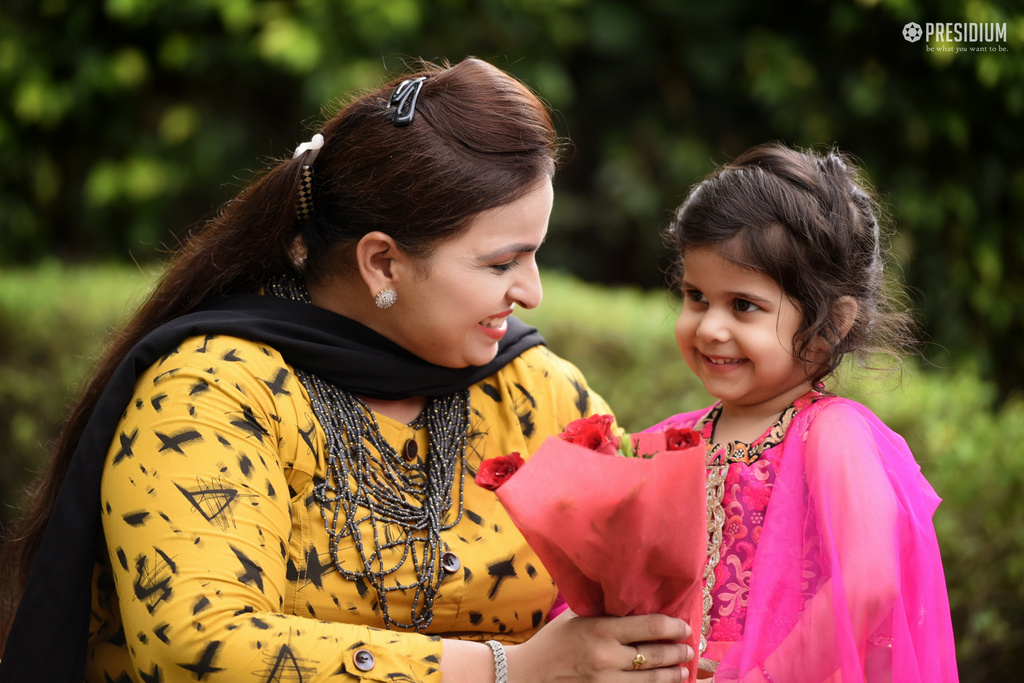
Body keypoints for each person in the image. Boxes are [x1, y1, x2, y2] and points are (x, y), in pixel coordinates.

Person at [0, 57, 694, 682]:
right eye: (500, 263)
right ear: (382, 262)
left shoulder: (533, 388)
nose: (531, 292)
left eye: (535, 254)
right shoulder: (212, 390)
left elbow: (647, 561)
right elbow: (200, 644)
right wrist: (508, 669)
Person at [646, 142, 958, 681]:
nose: (709, 327)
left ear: (831, 324)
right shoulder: (669, 440)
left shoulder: (831, 432)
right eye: (696, 296)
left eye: (743, 305)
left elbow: (868, 578)